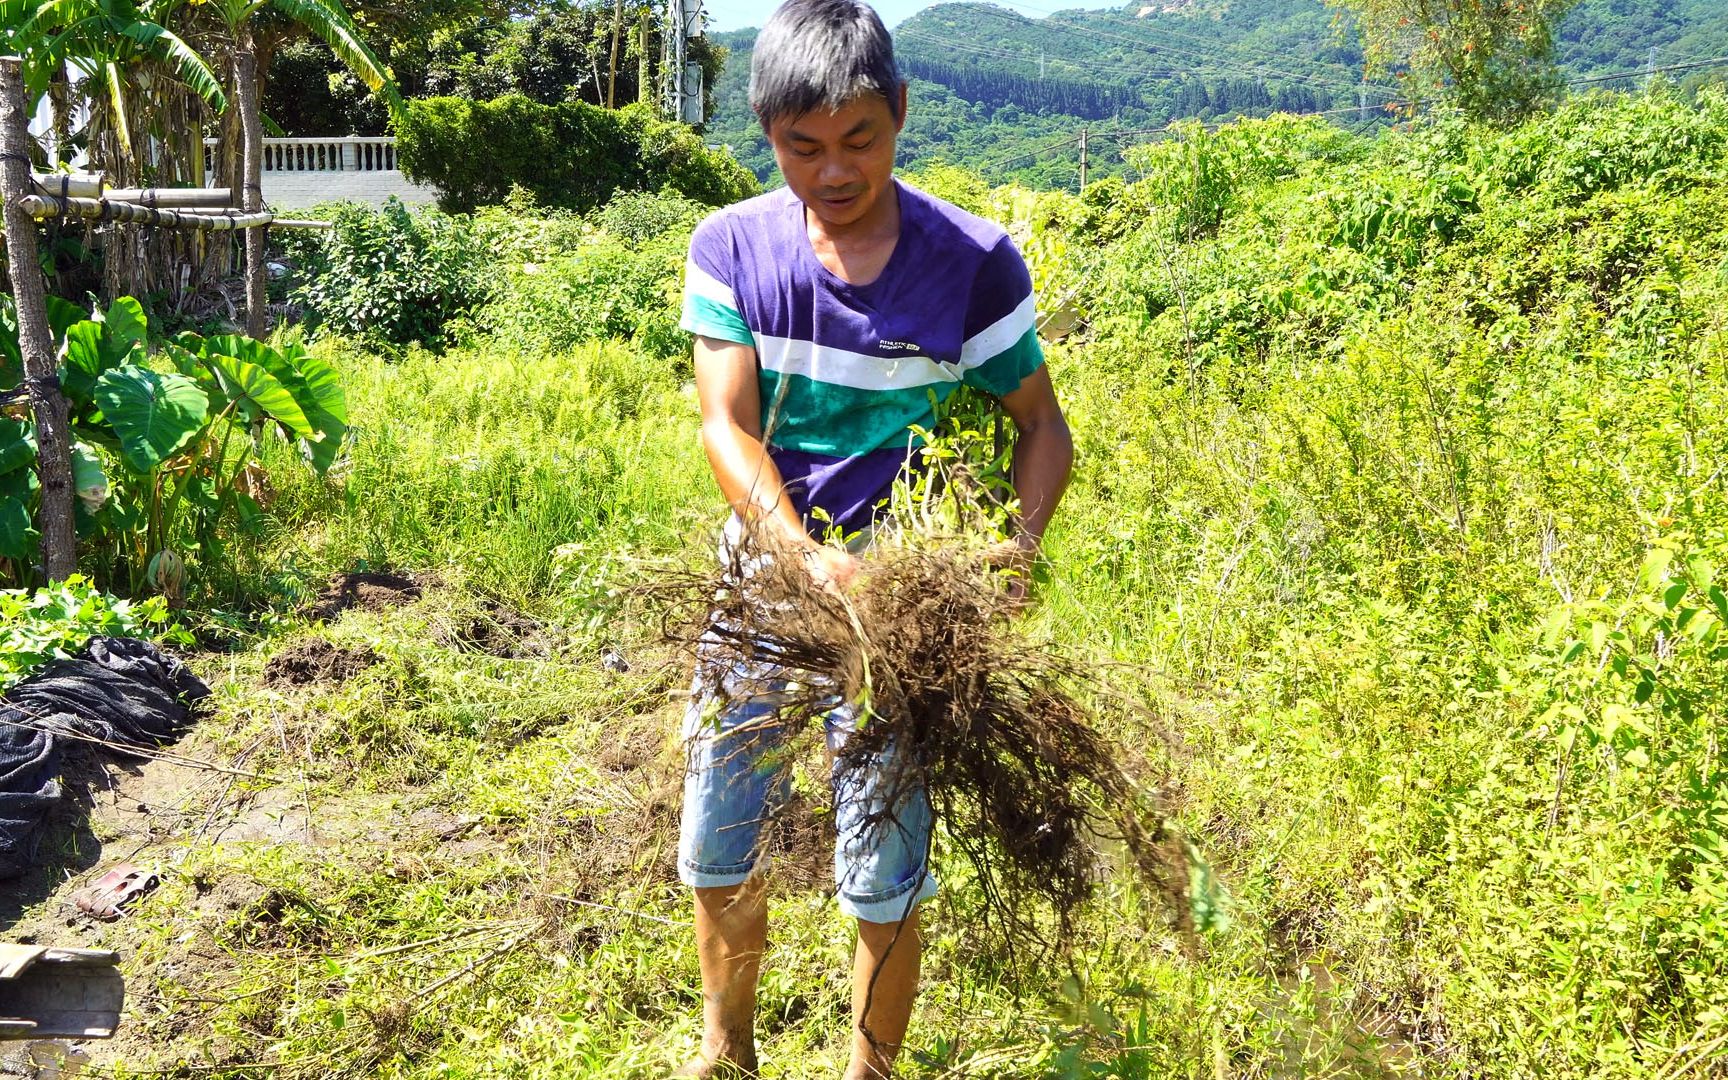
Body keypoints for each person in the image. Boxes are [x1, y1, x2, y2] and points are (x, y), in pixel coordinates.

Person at [673, 0, 1073, 1075]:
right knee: (719, 844)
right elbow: (727, 424)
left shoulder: (973, 263)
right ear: (768, 135)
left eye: (860, 141)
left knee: (882, 868)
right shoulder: (732, 247)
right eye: (803, 149)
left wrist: (1020, 551)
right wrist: (804, 559)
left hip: (902, 608)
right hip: (765, 583)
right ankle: (726, 1050)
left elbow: (1042, 425)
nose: (833, 172)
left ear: (900, 113)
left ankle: (872, 1070)